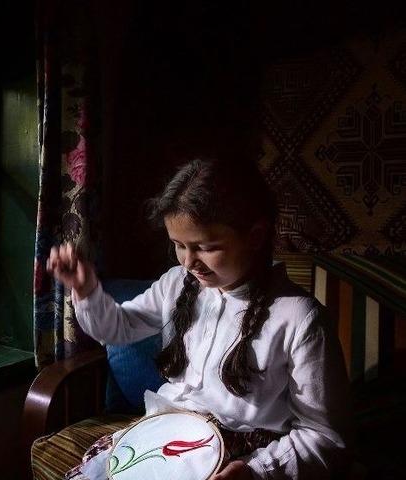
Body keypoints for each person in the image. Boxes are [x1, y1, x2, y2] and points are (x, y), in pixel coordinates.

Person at [47, 158, 351, 480]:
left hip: (243, 458)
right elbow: (117, 328)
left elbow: (325, 437)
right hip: (168, 437)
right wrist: (86, 289)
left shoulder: (300, 319)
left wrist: (256, 472)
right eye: (179, 245)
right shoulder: (176, 284)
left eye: (205, 247)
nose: (189, 262)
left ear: (256, 235)